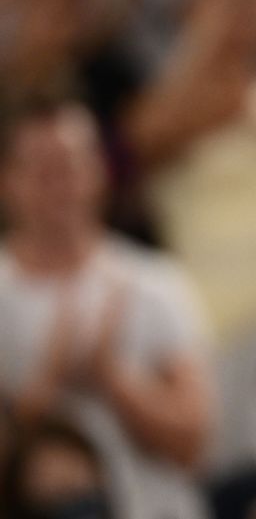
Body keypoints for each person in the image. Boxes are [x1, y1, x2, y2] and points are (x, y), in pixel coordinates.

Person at [0, 95, 213, 519]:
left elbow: (195, 444)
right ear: (8, 179)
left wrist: (112, 378)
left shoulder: (154, 283)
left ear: (99, 171)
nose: (59, 185)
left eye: (70, 165)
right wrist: (45, 387)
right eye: (41, 169)